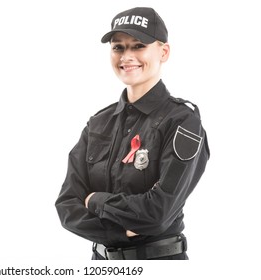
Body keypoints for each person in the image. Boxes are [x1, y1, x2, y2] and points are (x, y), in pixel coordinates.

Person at [55, 7, 210, 260]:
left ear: (164, 52)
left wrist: (95, 200)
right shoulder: (97, 123)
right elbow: (66, 206)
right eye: (118, 47)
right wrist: (120, 231)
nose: (126, 56)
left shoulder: (183, 122)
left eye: (138, 46)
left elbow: (158, 213)